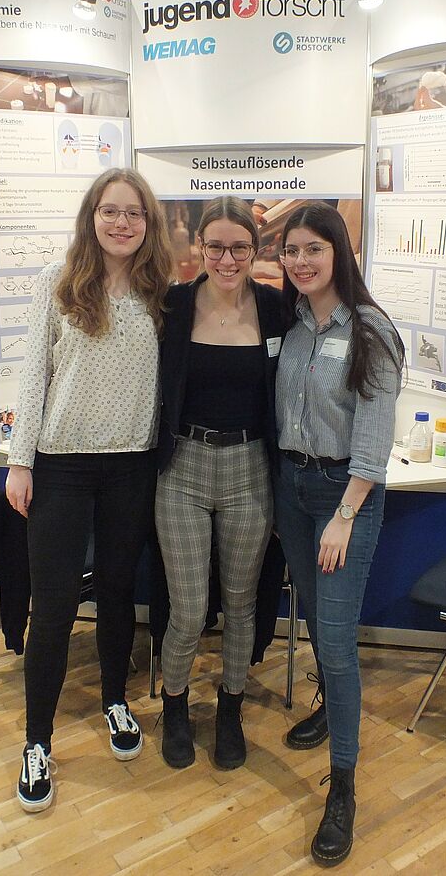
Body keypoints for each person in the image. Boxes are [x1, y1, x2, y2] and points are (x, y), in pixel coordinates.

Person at [6, 167, 174, 813]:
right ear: (92, 215)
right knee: (51, 607)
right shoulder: (58, 280)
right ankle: (37, 739)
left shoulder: (161, 291)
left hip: (130, 465)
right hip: (61, 465)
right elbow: (32, 374)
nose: (122, 222)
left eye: (134, 212)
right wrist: (21, 461)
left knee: (114, 594)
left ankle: (115, 700)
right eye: (111, 210)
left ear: (147, 222)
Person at [273, 202, 404, 867]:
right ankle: (328, 705)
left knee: (335, 636)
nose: (299, 261)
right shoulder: (294, 325)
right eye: (291, 249)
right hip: (291, 490)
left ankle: (343, 784)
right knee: (312, 618)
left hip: (342, 497)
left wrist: (344, 515)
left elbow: (374, 442)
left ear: (338, 253)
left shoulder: (372, 329)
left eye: (312, 250)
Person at [155, 196, 283, 771]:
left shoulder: (278, 309)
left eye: (238, 247)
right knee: (187, 608)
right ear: (199, 249)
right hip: (182, 466)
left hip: (249, 469)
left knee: (240, 605)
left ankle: (229, 708)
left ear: (255, 250)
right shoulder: (173, 305)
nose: (227, 259)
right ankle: (176, 705)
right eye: (216, 247)